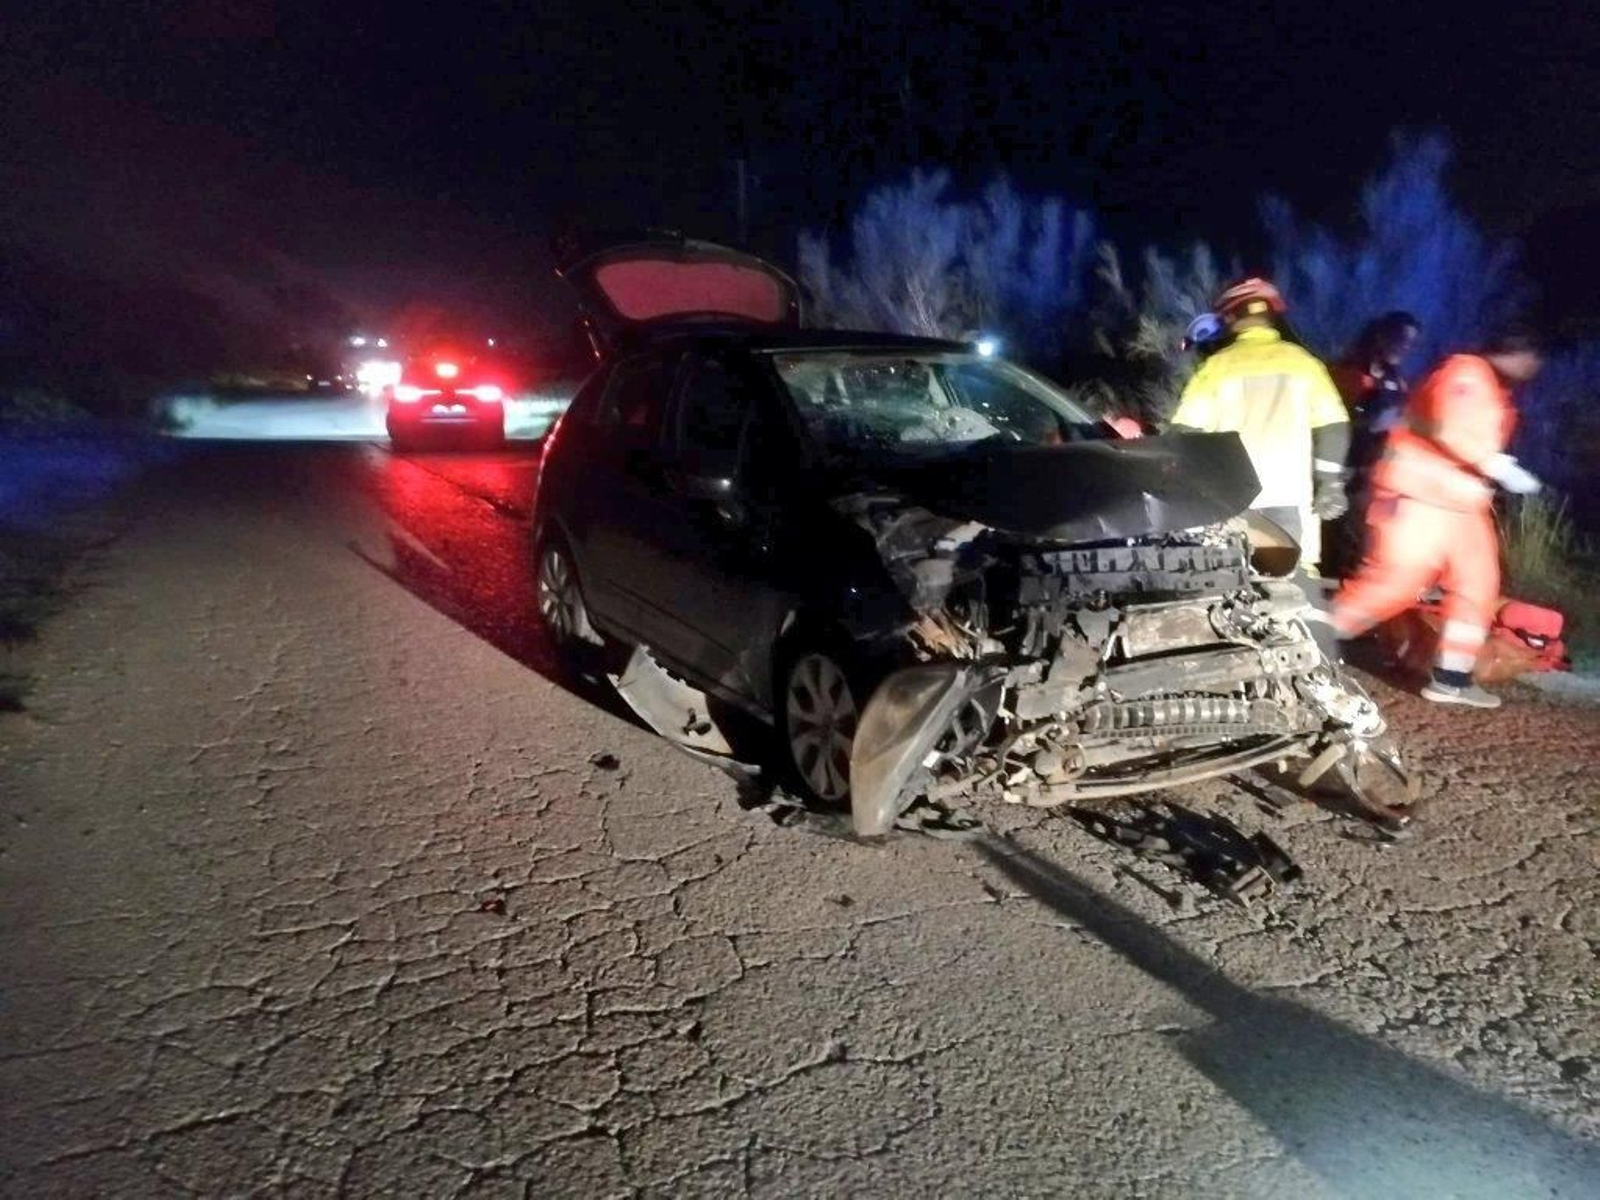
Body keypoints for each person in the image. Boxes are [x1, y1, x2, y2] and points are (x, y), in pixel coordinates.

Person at [1330, 330, 1545, 708]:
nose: (1533, 367)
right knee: (1394, 584)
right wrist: (1492, 461)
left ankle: (1453, 677)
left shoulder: (1492, 389)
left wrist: (1489, 467)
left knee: (1478, 586)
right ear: (1509, 351)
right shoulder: (1465, 372)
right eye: (1529, 357)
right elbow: (1449, 426)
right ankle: (1308, 642)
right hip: (1418, 497)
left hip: (1461, 503)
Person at [1170, 277, 1351, 573]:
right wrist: (1329, 483)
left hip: (1233, 499)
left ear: (1230, 318)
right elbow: (1333, 425)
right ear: (1272, 317)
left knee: (1228, 583)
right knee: (1293, 586)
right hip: (1289, 497)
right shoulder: (1304, 363)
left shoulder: (1216, 367)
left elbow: (1185, 433)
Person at [1325, 312, 1422, 575]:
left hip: (1372, 477)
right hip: (1339, 472)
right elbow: (1327, 422)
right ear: (1381, 335)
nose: (1403, 347)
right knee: (1331, 541)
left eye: (1410, 342)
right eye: (1399, 338)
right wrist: (1368, 421)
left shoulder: (1396, 382)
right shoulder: (1348, 371)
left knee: (1361, 544)